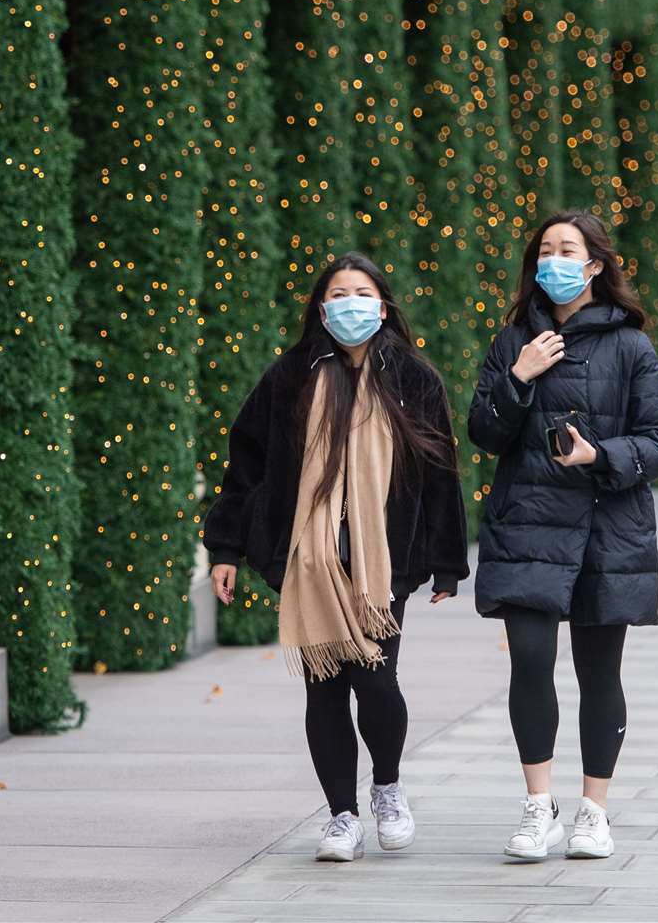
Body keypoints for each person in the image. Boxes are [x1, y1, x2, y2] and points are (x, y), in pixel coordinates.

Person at [203, 254, 467, 863]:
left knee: (377, 680)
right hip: (309, 559)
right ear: (322, 310)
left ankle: (387, 788)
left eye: (362, 292)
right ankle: (341, 816)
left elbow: (439, 474)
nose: (350, 303)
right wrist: (226, 548)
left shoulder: (413, 378)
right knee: (323, 692)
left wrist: (446, 560)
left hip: (384, 562)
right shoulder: (291, 376)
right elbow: (245, 464)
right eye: (338, 294)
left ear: (383, 305)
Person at [470, 210, 658, 862]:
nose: (553, 261)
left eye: (568, 250)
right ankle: (539, 808)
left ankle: (594, 810)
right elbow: (483, 432)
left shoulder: (630, 345)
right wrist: (520, 377)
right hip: (529, 526)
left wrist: (599, 456)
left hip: (604, 529)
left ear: (594, 266)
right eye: (544, 251)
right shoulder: (514, 341)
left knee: (598, 672)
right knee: (530, 662)